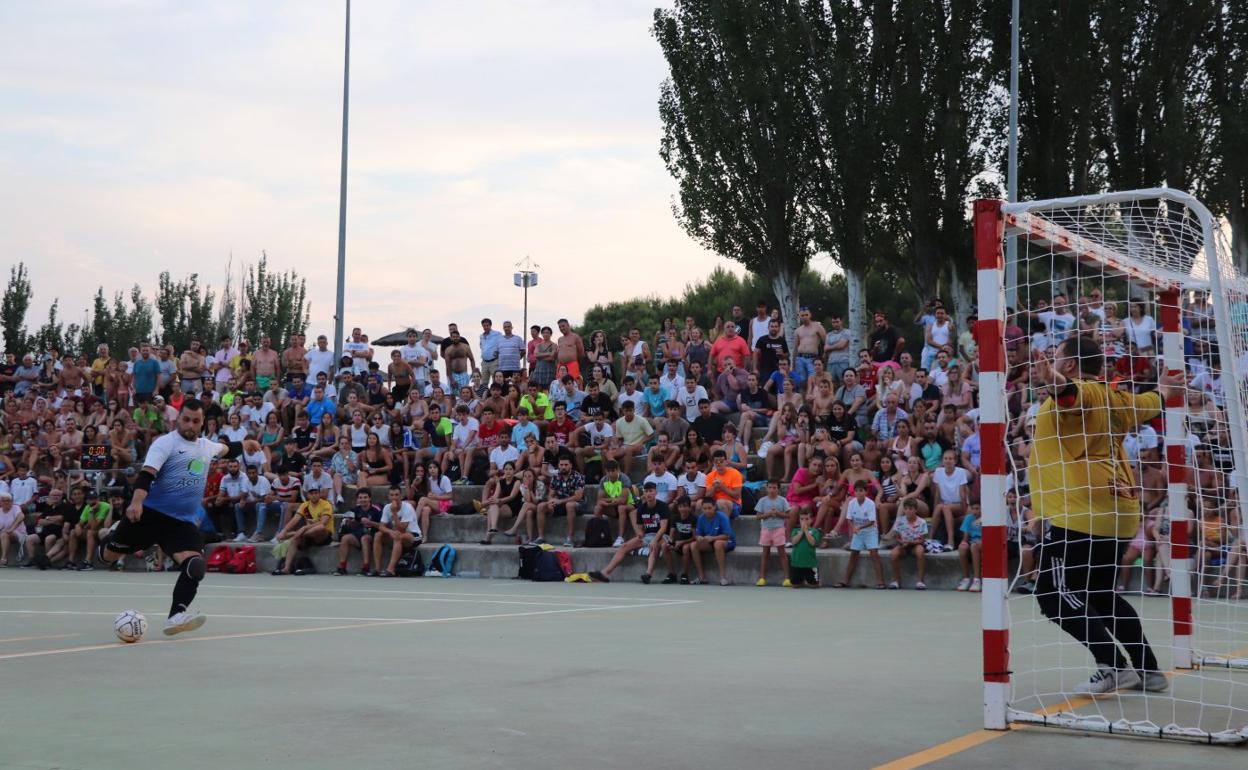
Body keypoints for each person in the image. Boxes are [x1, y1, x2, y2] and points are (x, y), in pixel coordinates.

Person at [1029, 334, 1179, 694]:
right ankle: (1149, 670)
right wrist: (1162, 389)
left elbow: (1067, 394)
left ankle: (1112, 665)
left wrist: (1051, 378)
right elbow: (1152, 402)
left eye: (1057, 357)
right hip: (1119, 512)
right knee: (1100, 594)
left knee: (1051, 594)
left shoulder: (1085, 391)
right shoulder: (1120, 398)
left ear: (1069, 365)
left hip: (1082, 512)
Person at [97, 398, 252, 635]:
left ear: (202, 423)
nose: (190, 425)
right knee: (107, 556)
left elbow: (228, 449)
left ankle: (176, 616)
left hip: (181, 523)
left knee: (196, 565)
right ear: (178, 418)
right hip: (148, 516)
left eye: (196, 421)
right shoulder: (165, 444)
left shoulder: (207, 446)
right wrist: (137, 502)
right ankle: (111, 534)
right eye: (186, 419)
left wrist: (247, 443)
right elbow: (146, 475)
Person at [590, 482, 668, 583]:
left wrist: (655, 540)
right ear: (644, 493)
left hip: (662, 536)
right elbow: (640, 528)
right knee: (624, 546)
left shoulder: (662, 507)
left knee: (654, 546)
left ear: (655, 492)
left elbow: (663, 528)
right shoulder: (642, 508)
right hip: (647, 536)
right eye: (646, 491)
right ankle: (605, 573)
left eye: (651, 491)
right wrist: (639, 534)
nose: (648, 494)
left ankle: (648, 574)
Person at [271, 485, 335, 576]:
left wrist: (304, 528)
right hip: (308, 536)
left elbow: (323, 522)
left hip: (322, 536)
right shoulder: (304, 505)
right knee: (295, 539)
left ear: (320, 494)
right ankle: (286, 568)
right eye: (311, 493)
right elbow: (295, 520)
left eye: (316, 493)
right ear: (307, 495)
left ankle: (294, 534)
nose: (314, 495)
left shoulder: (326, 504)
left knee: (320, 528)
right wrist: (283, 531)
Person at [834, 480, 883, 589]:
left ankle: (880, 582)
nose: (859, 493)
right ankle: (845, 581)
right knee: (853, 554)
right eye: (856, 491)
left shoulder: (870, 504)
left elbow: (871, 521)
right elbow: (849, 519)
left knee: (874, 554)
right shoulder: (851, 503)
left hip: (870, 532)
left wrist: (859, 527)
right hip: (858, 532)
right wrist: (853, 530)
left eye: (861, 491)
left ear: (866, 492)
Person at [373, 486, 422, 578]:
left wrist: (394, 513)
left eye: (396, 495)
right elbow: (381, 526)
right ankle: (377, 569)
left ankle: (390, 570)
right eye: (392, 495)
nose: (394, 497)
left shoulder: (407, 507)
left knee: (398, 535)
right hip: (397, 534)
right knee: (378, 535)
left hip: (413, 535)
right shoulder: (387, 507)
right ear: (389, 496)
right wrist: (390, 531)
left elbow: (402, 529)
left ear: (400, 496)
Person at [689, 497, 735, 586]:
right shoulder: (701, 518)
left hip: (727, 542)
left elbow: (727, 535)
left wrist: (713, 538)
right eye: (704, 509)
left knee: (717, 544)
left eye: (709, 508)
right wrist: (699, 538)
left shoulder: (722, 517)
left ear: (714, 507)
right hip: (710, 543)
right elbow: (698, 534)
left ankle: (722, 577)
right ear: (702, 509)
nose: (707, 511)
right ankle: (701, 577)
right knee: (693, 545)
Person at [755, 479, 791, 587]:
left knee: (782, 554)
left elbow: (788, 515)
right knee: (765, 554)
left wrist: (778, 513)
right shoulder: (762, 501)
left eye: (774, 488)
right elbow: (758, 516)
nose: (772, 490)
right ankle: (762, 578)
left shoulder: (783, 500)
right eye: (770, 487)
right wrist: (768, 514)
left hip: (779, 529)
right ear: (766, 488)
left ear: (778, 489)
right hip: (766, 530)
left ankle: (787, 578)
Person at [335, 488, 380, 576]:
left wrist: (370, 522)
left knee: (364, 538)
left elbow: (383, 525)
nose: (363, 500)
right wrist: (348, 521)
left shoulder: (376, 510)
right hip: (358, 536)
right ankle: (342, 567)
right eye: (360, 498)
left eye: (365, 497)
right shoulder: (355, 510)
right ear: (357, 499)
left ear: (370, 498)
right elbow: (346, 519)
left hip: (372, 537)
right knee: (345, 538)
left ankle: (366, 567)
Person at [889, 498, 928, 589]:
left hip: (916, 545)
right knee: (894, 554)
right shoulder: (899, 521)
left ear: (915, 510)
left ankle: (920, 581)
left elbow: (922, 540)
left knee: (920, 551)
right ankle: (896, 581)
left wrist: (910, 542)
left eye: (910, 509)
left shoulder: (922, 522)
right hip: (903, 546)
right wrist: (901, 543)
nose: (908, 511)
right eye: (906, 509)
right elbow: (897, 537)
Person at [788, 509, 821, 588]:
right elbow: (794, 542)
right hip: (797, 563)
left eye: (806, 519)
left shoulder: (815, 531)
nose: (804, 521)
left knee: (814, 585)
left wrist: (806, 531)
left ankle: (811, 579)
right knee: (795, 585)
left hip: (810, 564)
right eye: (802, 519)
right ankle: (801, 579)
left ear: (811, 520)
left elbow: (812, 543)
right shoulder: (795, 530)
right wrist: (801, 531)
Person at [956, 501, 983, 592]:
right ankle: (966, 579)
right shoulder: (968, 518)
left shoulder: (987, 517)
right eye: (973, 508)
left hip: (983, 542)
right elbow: (966, 536)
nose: (975, 511)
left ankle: (977, 580)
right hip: (972, 541)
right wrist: (963, 542)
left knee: (974, 547)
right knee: (962, 548)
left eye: (977, 508)